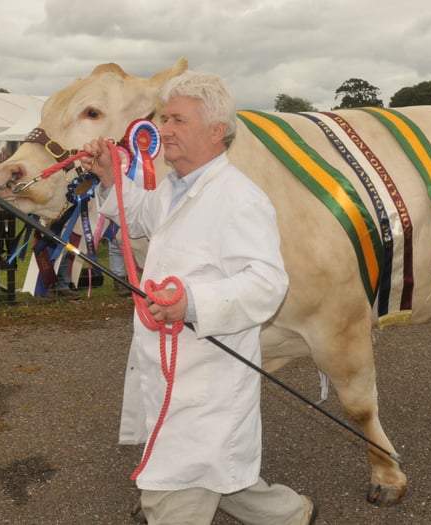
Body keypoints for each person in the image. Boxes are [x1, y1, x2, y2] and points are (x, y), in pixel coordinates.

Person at [81, 71, 318, 525]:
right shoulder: (175, 186)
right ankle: (289, 514)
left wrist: (190, 302)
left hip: (206, 382)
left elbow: (268, 284)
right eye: (163, 118)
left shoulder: (240, 199)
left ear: (215, 131)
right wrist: (111, 177)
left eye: (176, 120)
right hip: (172, 369)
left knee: (172, 493)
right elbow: (141, 215)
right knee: (223, 476)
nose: (164, 129)